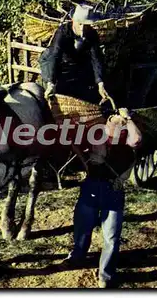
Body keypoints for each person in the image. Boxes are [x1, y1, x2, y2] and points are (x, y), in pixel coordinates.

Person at [62, 111, 142, 288]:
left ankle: (105, 275)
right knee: (82, 226)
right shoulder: (96, 134)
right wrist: (84, 162)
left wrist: (128, 118)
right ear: (107, 121)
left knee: (111, 236)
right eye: (114, 121)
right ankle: (77, 256)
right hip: (91, 185)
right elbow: (72, 142)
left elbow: (136, 140)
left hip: (113, 190)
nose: (117, 124)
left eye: (120, 123)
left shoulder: (127, 141)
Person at [39, 4, 110, 103]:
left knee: (86, 86)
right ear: (73, 21)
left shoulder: (91, 34)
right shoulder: (63, 32)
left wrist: (100, 83)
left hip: (75, 61)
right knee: (55, 89)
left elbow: (96, 58)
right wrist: (50, 82)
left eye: (86, 25)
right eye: (80, 24)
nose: (82, 28)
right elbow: (55, 55)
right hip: (53, 60)